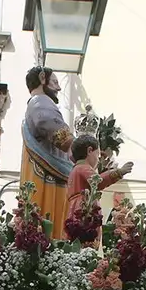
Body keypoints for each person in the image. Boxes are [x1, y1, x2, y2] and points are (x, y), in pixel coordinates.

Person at [21, 66, 75, 238]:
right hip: (49, 174)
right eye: (55, 82)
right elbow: (60, 135)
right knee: (49, 223)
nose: (58, 88)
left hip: (52, 172)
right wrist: (79, 147)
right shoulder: (40, 102)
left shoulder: (39, 103)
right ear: (42, 78)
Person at [64, 133, 133, 244]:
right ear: (89, 151)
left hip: (74, 208)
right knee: (88, 240)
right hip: (84, 209)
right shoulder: (83, 168)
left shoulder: (75, 169)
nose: (98, 159)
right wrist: (118, 172)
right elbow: (98, 181)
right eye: (98, 154)